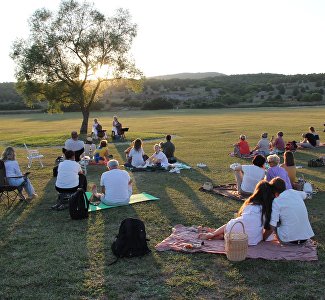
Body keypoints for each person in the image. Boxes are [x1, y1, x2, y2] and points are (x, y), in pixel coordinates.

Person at [199, 180, 274, 246]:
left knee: (230, 224)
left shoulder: (250, 204)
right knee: (259, 232)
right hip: (250, 240)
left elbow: (242, 217)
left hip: (234, 229)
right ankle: (222, 235)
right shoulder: (268, 209)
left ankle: (214, 234)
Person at [263, 177, 314, 244]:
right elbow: (306, 195)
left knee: (275, 221)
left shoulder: (276, 201)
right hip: (305, 238)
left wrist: (264, 238)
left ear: (274, 191)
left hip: (288, 240)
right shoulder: (295, 193)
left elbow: (272, 225)